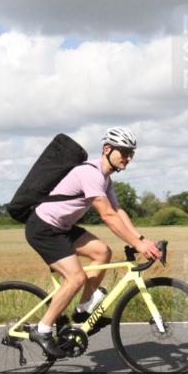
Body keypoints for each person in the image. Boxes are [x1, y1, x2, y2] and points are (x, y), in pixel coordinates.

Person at [24, 127, 161, 357]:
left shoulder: (106, 179)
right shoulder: (91, 174)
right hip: (44, 228)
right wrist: (138, 246)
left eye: (131, 154)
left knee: (102, 252)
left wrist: (141, 239)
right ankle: (43, 328)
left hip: (62, 228)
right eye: (124, 152)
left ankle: (82, 310)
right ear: (107, 149)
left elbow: (118, 210)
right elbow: (107, 216)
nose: (128, 158)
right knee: (75, 278)